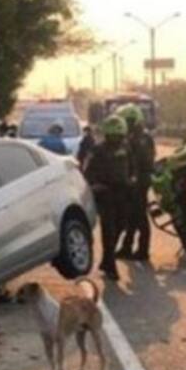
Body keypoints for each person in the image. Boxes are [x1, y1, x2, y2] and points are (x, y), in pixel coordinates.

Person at [84, 116, 131, 281]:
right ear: (107, 135)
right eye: (113, 136)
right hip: (106, 194)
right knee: (108, 231)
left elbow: (132, 167)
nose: (117, 139)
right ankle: (110, 266)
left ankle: (106, 259)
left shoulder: (126, 149)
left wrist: (133, 180)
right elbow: (87, 171)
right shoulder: (97, 150)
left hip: (123, 193)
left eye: (119, 136)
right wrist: (94, 185)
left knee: (122, 225)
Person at [117, 104, 156, 263]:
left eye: (129, 120)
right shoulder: (144, 136)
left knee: (139, 216)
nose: (128, 123)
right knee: (132, 216)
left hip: (139, 181)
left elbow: (135, 162)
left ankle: (143, 250)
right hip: (140, 180)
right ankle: (127, 247)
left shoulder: (136, 139)